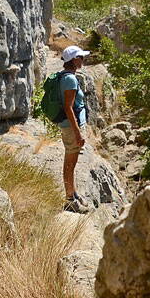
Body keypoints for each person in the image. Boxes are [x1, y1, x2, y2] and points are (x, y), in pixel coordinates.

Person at [59, 45, 91, 213]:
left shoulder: (66, 76)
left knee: (71, 161)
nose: (83, 60)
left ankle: (73, 193)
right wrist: (78, 132)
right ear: (74, 59)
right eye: (81, 57)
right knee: (70, 164)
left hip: (70, 127)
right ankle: (70, 200)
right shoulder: (70, 79)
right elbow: (68, 107)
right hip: (72, 128)